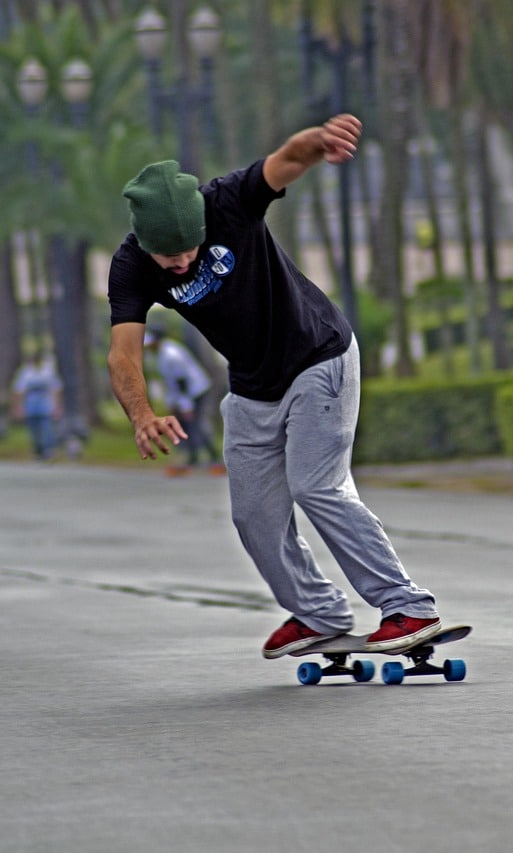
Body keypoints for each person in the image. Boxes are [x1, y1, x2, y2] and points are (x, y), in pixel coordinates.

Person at [106, 114, 443, 658]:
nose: (184, 263)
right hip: (252, 386)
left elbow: (284, 161)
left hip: (318, 357)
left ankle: (407, 607)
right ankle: (317, 613)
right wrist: (142, 416)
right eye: (171, 260)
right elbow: (123, 353)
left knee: (316, 485)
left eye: (192, 250)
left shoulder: (228, 201)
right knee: (253, 513)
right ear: (145, 245)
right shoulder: (129, 267)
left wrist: (317, 143)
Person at [143, 322, 225, 476]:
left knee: (197, 424)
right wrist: (172, 403)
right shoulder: (160, 353)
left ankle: (215, 458)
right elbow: (171, 383)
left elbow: (183, 383)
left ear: (158, 340)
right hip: (185, 393)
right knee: (184, 425)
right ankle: (193, 457)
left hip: (197, 391)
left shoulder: (171, 355)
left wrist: (186, 407)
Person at [11, 352, 62, 461]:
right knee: (34, 431)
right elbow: (19, 391)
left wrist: (57, 405)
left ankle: (47, 450)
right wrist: (18, 407)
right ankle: (38, 451)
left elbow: (56, 389)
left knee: (47, 429)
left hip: (46, 407)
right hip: (31, 407)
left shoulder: (48, 372)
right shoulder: (26, 373)